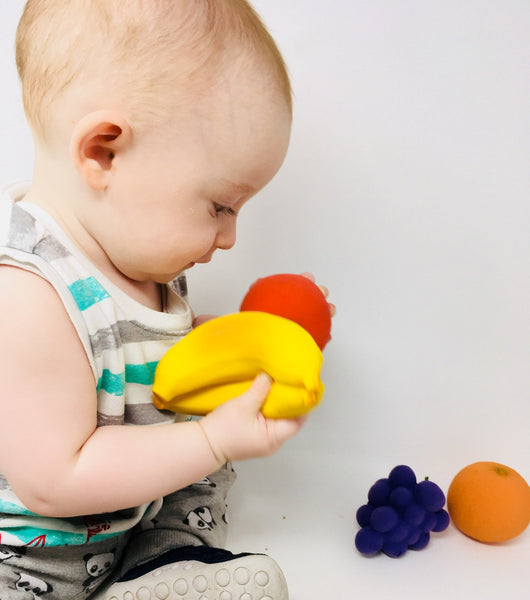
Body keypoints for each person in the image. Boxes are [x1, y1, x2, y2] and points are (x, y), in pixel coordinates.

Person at [0, 1, 334, 598]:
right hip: (34, 560)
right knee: (205, 444)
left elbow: (157, 364)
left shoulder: (140, 257)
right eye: (220, 206)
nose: (230, 238)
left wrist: (251, 340)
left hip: (132, 515)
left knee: (199, 443)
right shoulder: (28, 296)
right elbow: (57, 480)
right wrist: (210, 442)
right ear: (104, 152)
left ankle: (167, 558)